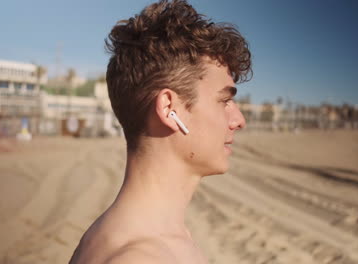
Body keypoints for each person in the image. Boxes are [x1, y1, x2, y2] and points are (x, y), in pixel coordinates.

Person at [69, 0, 251, 263]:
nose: (239, 120)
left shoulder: (130, 235)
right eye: (224, 101)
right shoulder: (141, 257)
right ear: (168, 109)